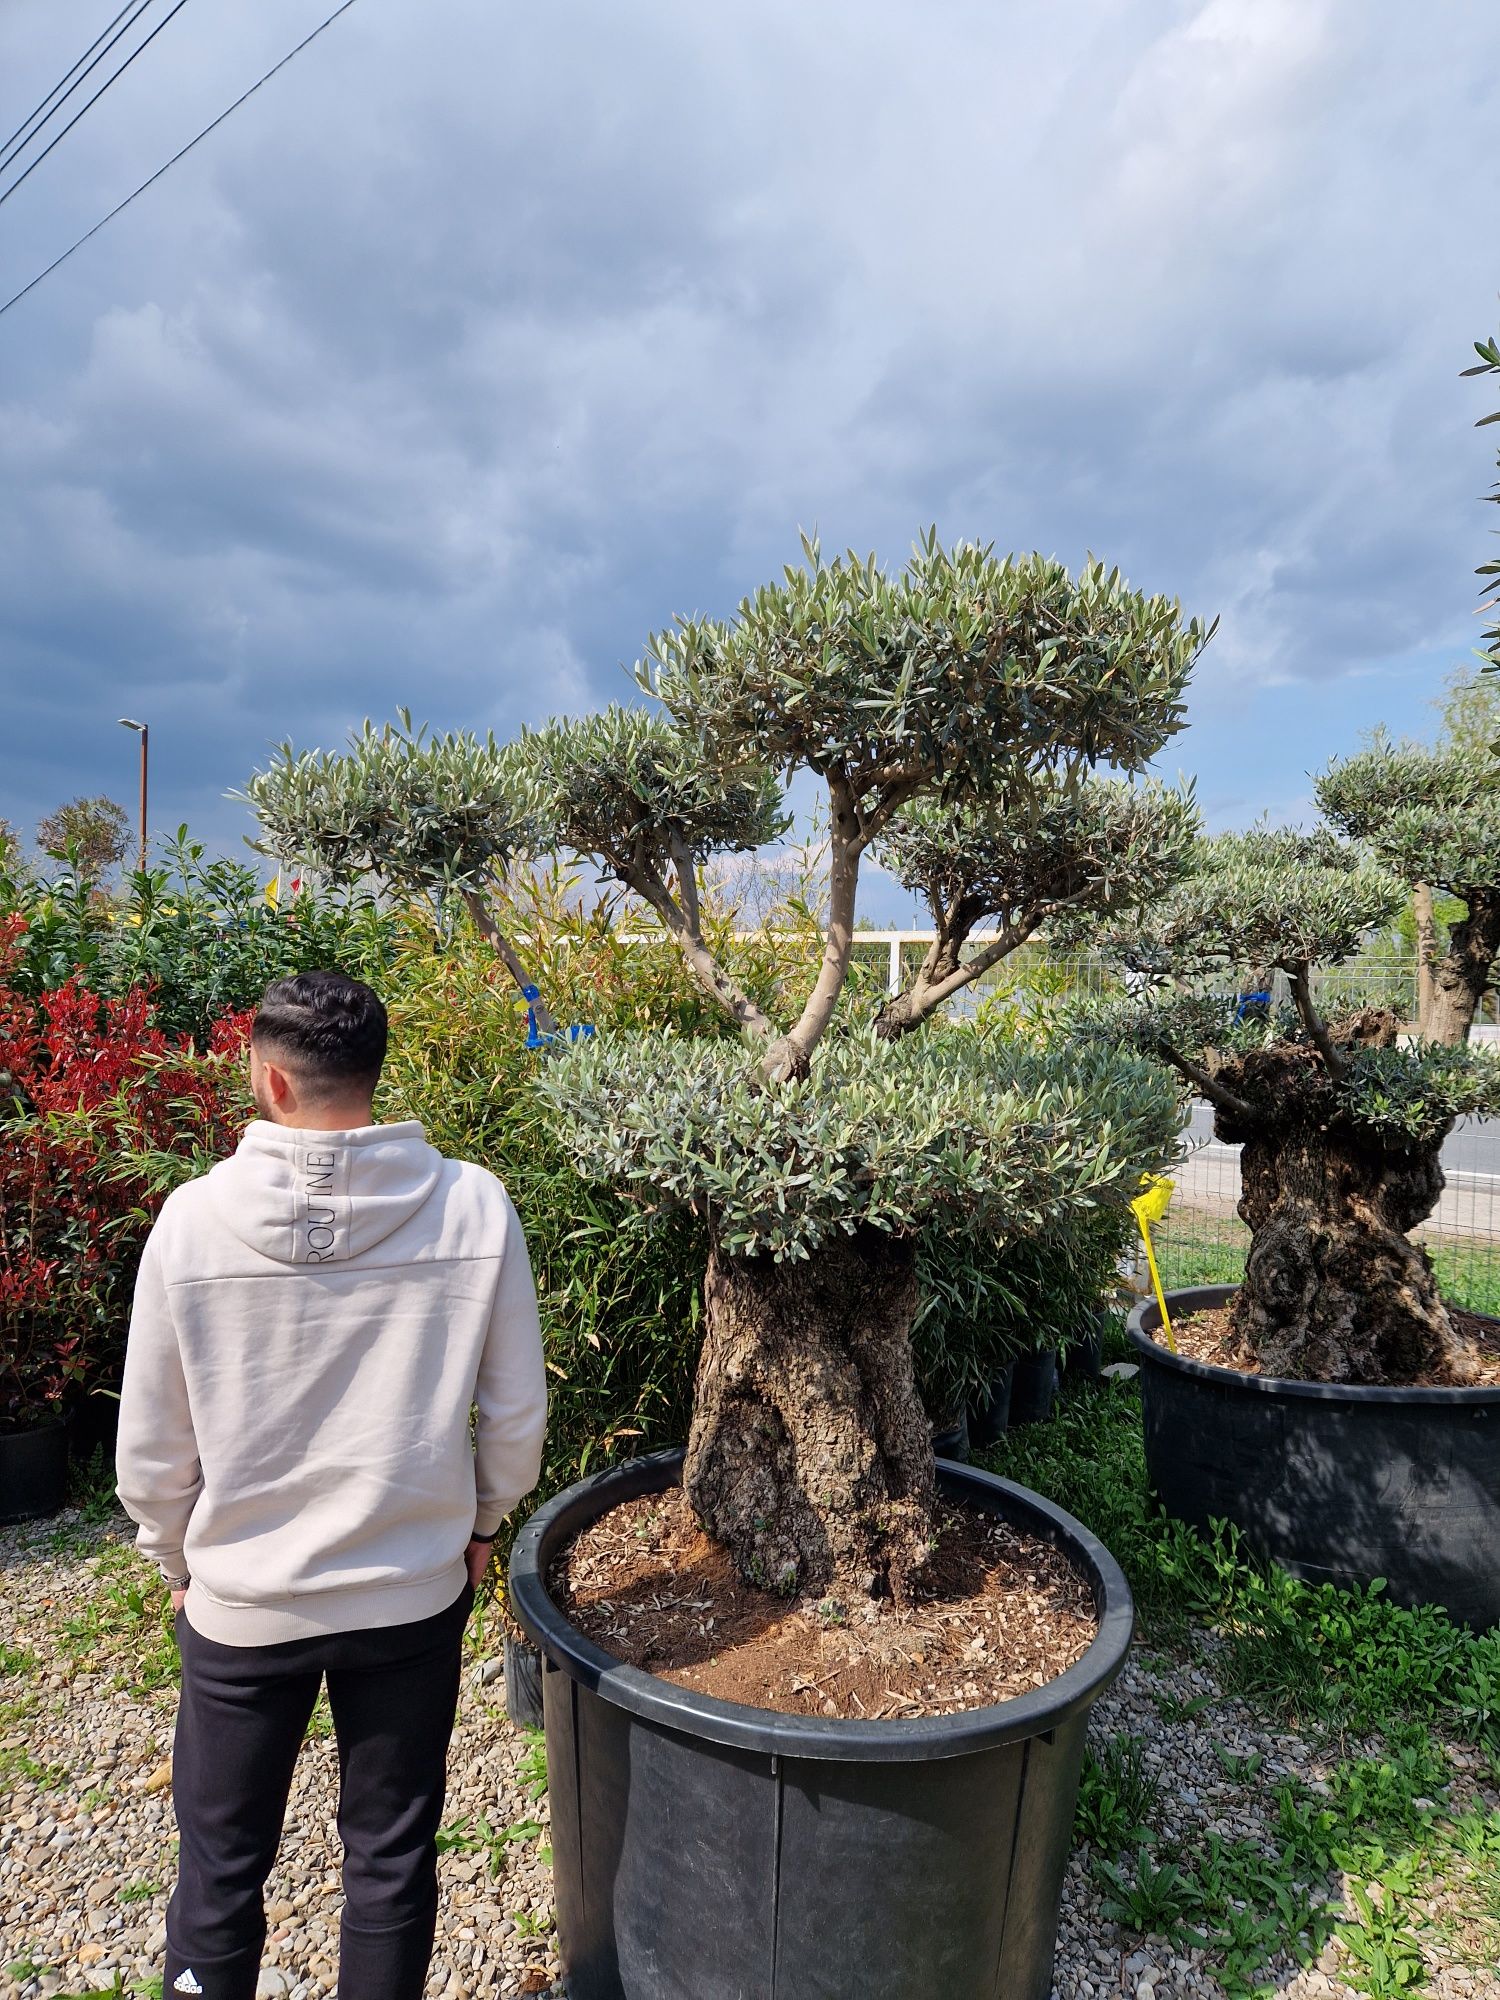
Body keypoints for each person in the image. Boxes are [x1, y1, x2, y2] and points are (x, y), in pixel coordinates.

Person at [115, 970, 548, 2000]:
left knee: (220, 1867)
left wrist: (174, 1554)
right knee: (390, 1857)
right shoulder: (471, 1204)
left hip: (242, 1606)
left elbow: (148, 1444)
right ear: (376, 1070)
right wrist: (482, 1521)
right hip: (409, 1587)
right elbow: (518, 1414)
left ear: (269, 1079)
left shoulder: (192, 1220)